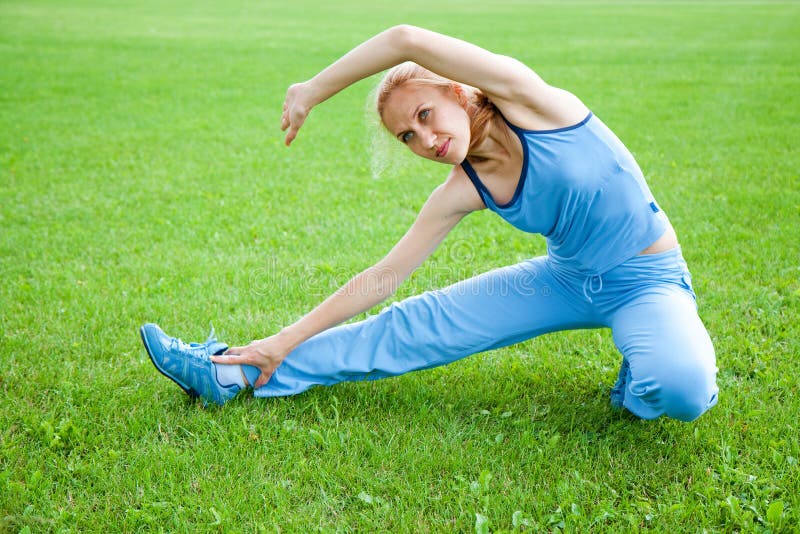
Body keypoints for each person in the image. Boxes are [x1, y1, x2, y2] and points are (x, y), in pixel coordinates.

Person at [140, 25, 718, 421]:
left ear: (454, 89)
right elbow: (381, 278)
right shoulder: (465, 187)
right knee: (413, 326)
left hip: (648, 280)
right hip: (563, 280)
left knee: (682, 388)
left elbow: (404, 40)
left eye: (424, 114)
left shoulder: (531, 101)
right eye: (407, 137)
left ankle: (639, 382)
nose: (426, 139)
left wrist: (313, 89)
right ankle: (231, 374)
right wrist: (280, 340)